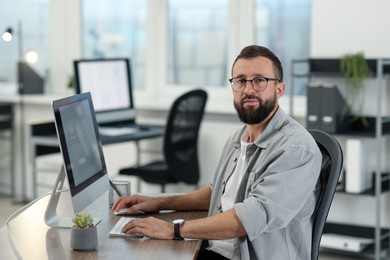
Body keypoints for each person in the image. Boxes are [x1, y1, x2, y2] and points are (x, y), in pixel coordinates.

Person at [112, 45, 322, 259]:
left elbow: (250, 218)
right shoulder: (238, 138)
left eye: (259, 80)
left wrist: (172, 229)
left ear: (279, 89)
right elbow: (218, 194)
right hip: (214, 250)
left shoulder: (295, 148)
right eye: (240, 81)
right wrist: (160, 202)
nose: (248, 89)